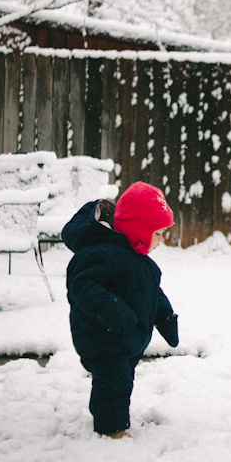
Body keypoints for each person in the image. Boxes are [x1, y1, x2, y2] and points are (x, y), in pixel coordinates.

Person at [63, 181, 180, 439]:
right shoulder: (103, 254)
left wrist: (166, 318)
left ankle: (111, 419)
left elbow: (151, 292)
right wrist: (115, 311)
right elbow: (82, 286)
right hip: (103, 336)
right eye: (158, 233)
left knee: (121, 380)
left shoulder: (140, 261)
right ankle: (111, 429)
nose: (161, 241)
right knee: (113, 381)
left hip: (124, 337)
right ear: (139, 230)